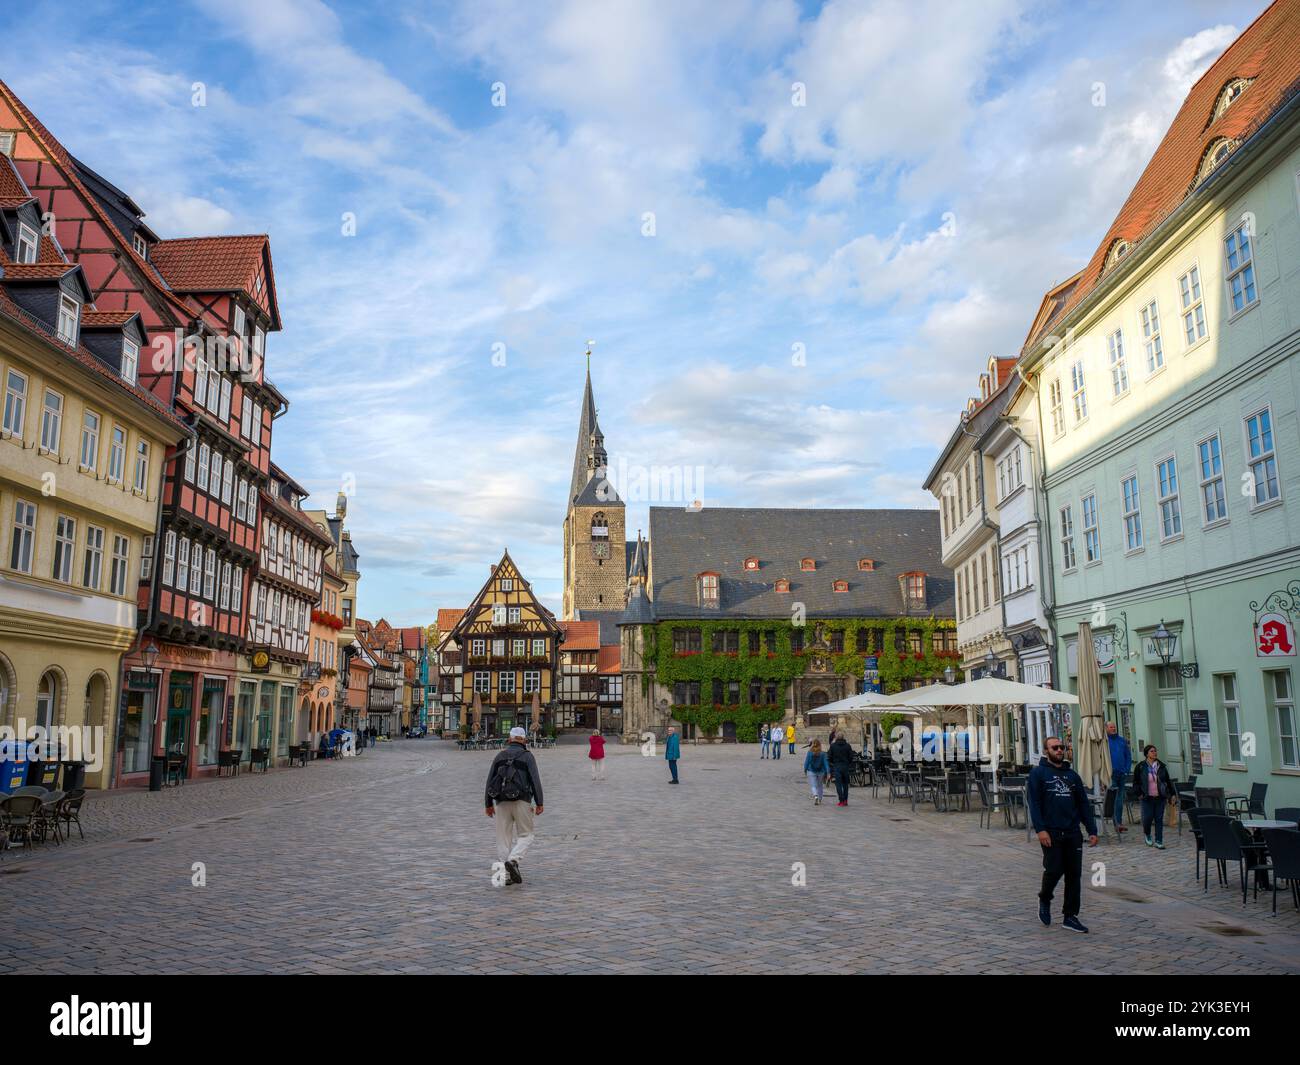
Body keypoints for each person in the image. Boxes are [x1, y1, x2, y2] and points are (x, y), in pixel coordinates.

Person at [1026, 736, 1099, 933]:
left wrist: (1091, 829)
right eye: (1055, 747)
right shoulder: (1038, 774)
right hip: (1051, 831)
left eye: (1062, 747)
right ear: (1046, 751)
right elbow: (1035, 804)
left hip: (1073, 832)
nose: (1059, 750)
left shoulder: (1072, 776)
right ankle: (1044, 897)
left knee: (1074, 875)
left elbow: (1083, 804)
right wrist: (1041, 829)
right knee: (1054, 870)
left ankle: (1070, 916)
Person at [484, 726, 544, 885]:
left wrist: (488, 804)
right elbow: (535, 780)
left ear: (509, 739)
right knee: (526, 835)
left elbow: (490, 781)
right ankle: (513, 859)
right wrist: (539, 802)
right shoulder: (528, 757)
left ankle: (506, 875)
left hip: (501, 802)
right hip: (522, 801)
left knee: (503, 838)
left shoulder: (500, 756)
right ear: (524, 740)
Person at [1131, 744, 1177, 849]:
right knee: (1147, 819)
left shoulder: (1161, 766)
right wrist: (1139, 794)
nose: (1154, 753)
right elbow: (1136, 783)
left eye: (1155, 751)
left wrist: (1172, 794)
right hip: (1147, 797)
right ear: (1147, 754)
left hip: (1160, 797)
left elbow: (1167, 781)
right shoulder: (1141, 767)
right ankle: (1147, 834)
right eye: (1152, 751)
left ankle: (1159, 840)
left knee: (1158, 819)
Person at [1106, 722, 1131, 833]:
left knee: (1120, 799)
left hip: (1122, 774)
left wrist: (1126, 769)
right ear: (1106, 728)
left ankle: (1119, 822)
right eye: (1111, 727)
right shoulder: (1105, 742)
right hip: (1111, 774)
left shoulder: (1122, 740)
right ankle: (1116, 822)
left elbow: (1128, 755)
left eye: (1114, 726)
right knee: (1114, 799)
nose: (1113, 728)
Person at [828, 733, 854, 806]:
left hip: (837, 766)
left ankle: (841, 800)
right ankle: (845, 800)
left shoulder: (833, 746)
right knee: (845, 784)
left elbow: (829, 756)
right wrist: (848, 763)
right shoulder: (847, 746)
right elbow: (851, 756)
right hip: (845, 766)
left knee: (838, 784)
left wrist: (833, 762)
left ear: (836, 738)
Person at [804, 739, 830, 805]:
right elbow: (826, 763)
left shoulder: (810, 752)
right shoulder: (823, 753)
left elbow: (807, 762)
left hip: (811, 770)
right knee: (820, 785)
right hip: (821, 771)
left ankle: (815, 796)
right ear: (820, 745)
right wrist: (828, 772)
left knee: (813, 785)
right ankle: (820, 799)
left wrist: (805, 769)